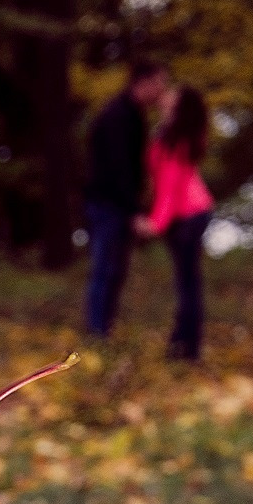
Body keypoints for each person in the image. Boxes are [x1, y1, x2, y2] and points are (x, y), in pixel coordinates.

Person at [80, 59, 171, 337]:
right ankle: (96, 331)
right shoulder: (118, 115)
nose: (162, 90)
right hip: (108, 205)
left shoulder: (134, 115)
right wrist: (133, 211)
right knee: (105, 268)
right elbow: (118, 168)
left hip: (116, 204)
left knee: (115, 269)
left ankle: (103, 328)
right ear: (144, 82)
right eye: (160, 82)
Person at [134, 85, 216, 361]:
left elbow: (170, 186)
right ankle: (183, 345)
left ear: (178, 107)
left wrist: (155, 224)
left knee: (188, 283)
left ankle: (185, 349)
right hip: (189, 214)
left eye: (173, 95)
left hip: (188, 216)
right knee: (188, 282)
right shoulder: (172, 134)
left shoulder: (176, 139)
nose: (165, 96)